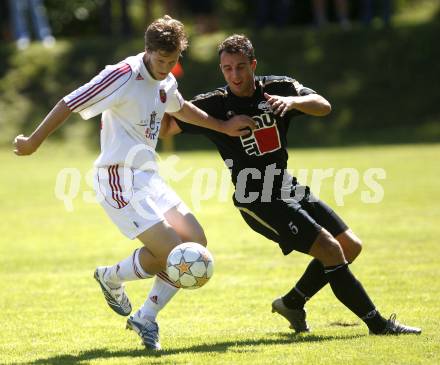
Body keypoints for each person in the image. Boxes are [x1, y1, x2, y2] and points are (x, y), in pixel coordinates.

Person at [13, 17, 255, 351]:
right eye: (160, 61)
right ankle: (119, 285)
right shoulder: (122, 75)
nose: (165, 68)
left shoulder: (166, 77)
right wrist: (34, 141)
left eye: (172, 62)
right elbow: (70, 102)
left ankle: (137, 309)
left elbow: (180, 108)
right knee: (174, 253)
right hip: (117, 178)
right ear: (147, 51)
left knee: (196, 242)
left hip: (147, 176)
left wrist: (222, 126)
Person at [160, 34, 421, 336]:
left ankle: (292, 303)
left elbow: (323, 106)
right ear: (221, 69)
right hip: (255, 197)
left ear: (253, 64)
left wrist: (294, 101)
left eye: (241, 67)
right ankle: (379, 325)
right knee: (331, 249)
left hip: (285, 185)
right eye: (227, 68)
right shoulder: (215, 104)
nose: (234, 75)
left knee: (350, 246)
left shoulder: (278, 89)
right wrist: (212, 124)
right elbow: (167, 126)